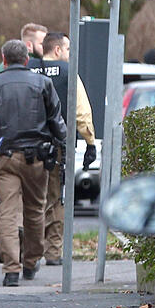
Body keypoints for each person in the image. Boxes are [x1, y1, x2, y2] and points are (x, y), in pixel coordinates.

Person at [0, 40, 67, 287]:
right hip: (37, 157)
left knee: (6, 212)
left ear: (3, 60)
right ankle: (30, 261)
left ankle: (11, 269)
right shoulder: (43, 84)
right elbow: (56, 121)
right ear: (27, 59)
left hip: (3, 156)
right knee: (35, 210)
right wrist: (65, 145)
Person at [37, 31, 97, 266]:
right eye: (69, 49)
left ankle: (26, 251)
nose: (71, 54)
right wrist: (90, 142)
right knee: (55, 198)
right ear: (58, 50)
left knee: (30, 199)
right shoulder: (68, 72)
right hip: (56, 147)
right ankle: (53, 252)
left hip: (25, 146)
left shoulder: (28, 69)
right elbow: (81, 113)